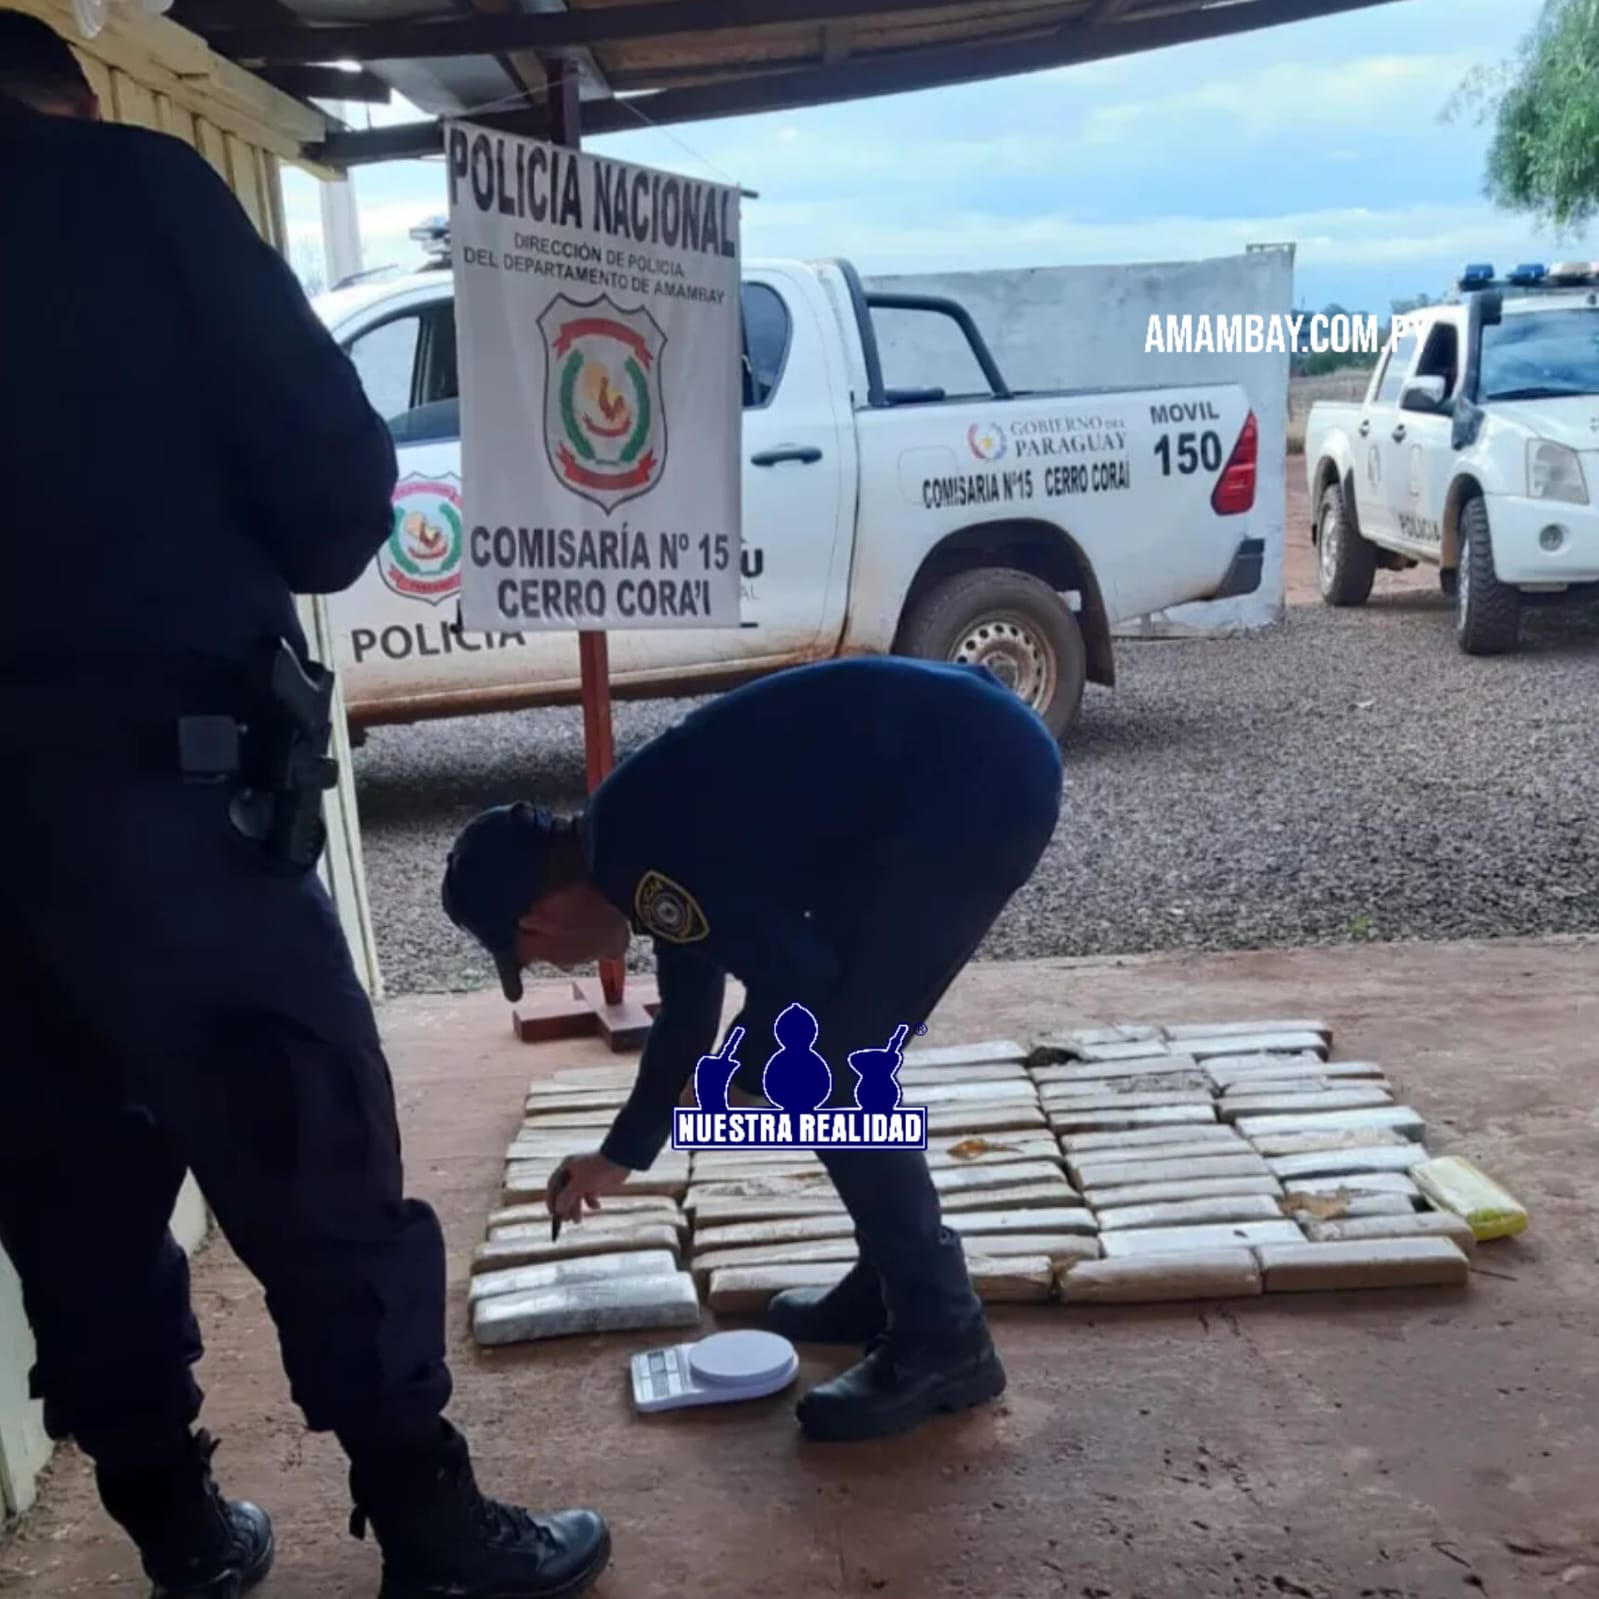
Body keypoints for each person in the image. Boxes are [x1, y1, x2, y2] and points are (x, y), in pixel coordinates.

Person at [0, 15, 609, 1599]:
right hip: (165, 809)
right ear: (71, 95)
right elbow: (338, 506)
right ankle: (430, 1526)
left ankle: (179, 1533)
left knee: (61, 1186)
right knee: (309, 1145)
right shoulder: (134, 190)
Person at [442, 655, 1063, 1443]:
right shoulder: (626, 840)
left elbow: (801, 975)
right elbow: (688, 1011)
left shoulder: (637, 860)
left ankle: (945, 1337)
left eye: (534, 958)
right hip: (954, 763)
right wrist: (619, 1154)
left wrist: (744, 1065)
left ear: (536, 919)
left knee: (830, 1062)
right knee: (832, 1051)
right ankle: (890, 1282)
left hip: (973, 784)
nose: (558, 965)